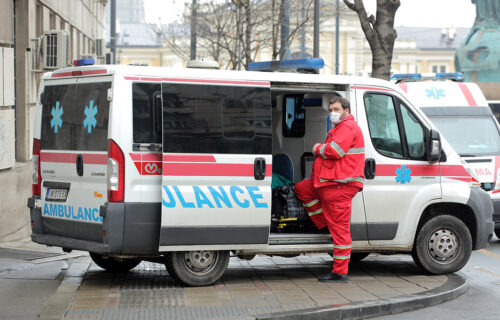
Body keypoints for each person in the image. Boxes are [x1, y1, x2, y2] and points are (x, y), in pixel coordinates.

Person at [295, 96, 365, 283]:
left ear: (346, 111)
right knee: (302, 188)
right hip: (328, 183)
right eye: (331, 109)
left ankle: (339, 273)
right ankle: (324, 222)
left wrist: (318, 148)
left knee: (341, 231)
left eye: (336, 109)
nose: (333, 113)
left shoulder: (348, 127)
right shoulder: (340, 127)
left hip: (339, 186)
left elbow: (335, 151)